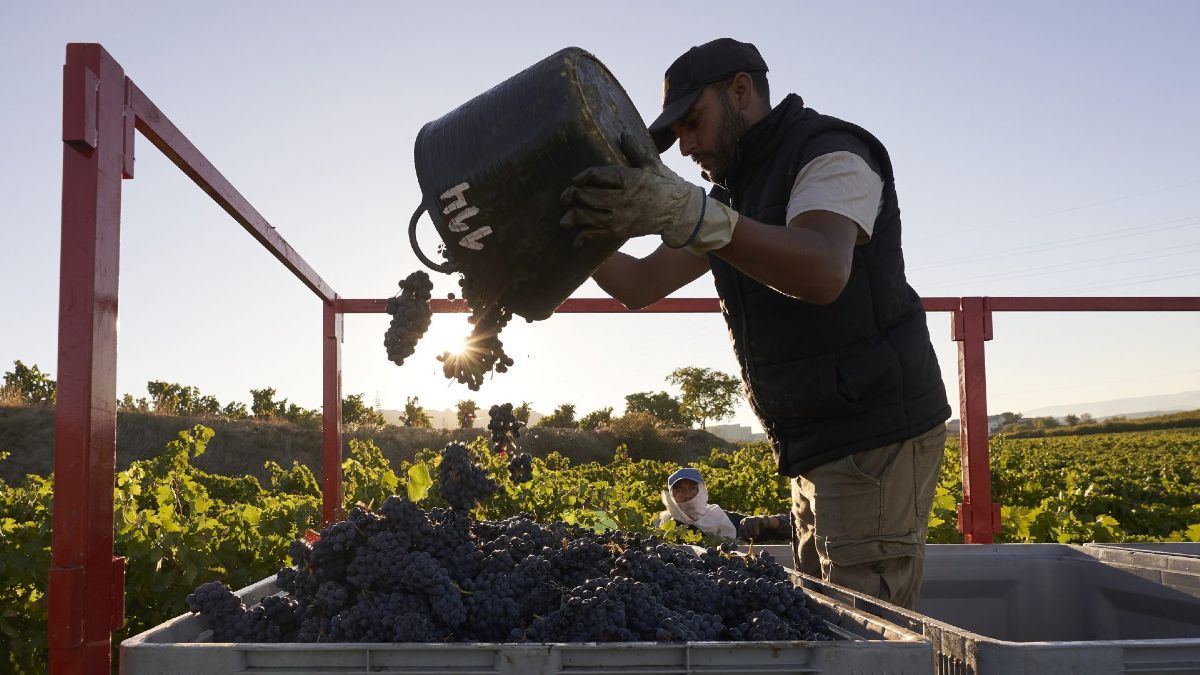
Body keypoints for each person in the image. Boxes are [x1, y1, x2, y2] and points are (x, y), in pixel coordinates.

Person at [560, 38, 951, 610]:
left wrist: (692, 215)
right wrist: (567, 234)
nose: (686, 145)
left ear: (741, 91)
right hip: (816, 442)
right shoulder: (734, 195)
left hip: (874, 439)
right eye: (676, 136)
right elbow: (639, 285)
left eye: (694, 122)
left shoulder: (830, 153)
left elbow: (822, 269)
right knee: (825, 620)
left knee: (865, 640)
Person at [653, 466, 790, 542]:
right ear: (671, 496)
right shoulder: (663, 525)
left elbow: (796, 527)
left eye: (692, 488)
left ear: (703, 491)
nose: (687, 495)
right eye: (679, 490)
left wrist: (770, 521)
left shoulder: (724, 519)